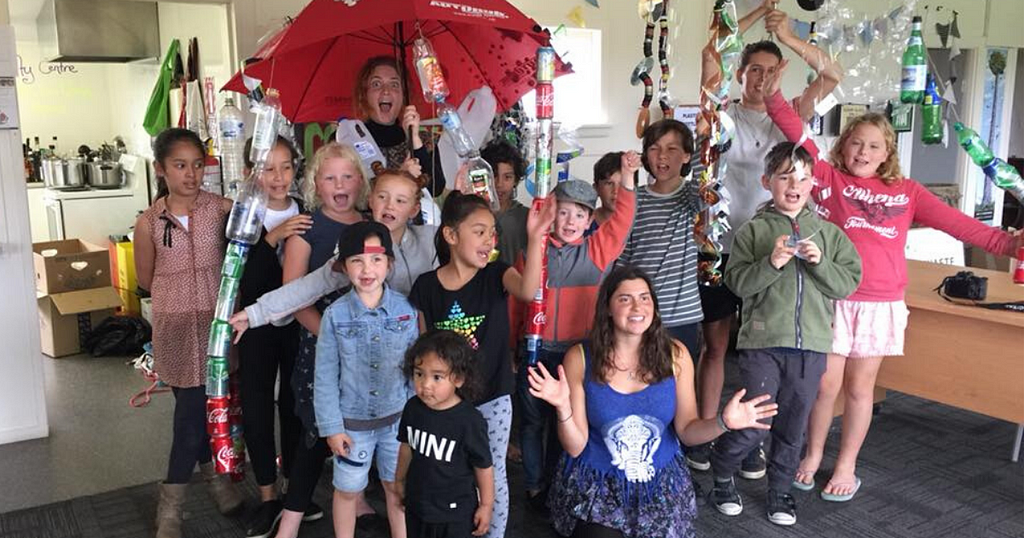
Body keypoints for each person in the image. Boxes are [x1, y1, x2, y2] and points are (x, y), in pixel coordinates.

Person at [761, 63, 1024, 502]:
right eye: (856, 144)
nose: (863, 152)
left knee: (861, 389)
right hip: (832, 298)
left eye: (874, 146)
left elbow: (965, 228)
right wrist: (772, 95)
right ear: (844, 148)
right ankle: (813, 454)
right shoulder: (828, 180)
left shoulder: (908, 192)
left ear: (887, 154)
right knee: (825, 386)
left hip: (880, 303)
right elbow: (796, 133)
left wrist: (1012, 246)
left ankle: (846, 464)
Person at [688, 3, 845, 475]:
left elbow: (833, 73)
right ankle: (709, 429)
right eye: (753, 70)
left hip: (775, 253)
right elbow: (708, 51)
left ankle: (754, 440)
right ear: (741, 73)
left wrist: (789, 35)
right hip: (719, 249)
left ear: (781, 74)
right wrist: (761, 11)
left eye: (770, 71)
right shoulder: (721, 113)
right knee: (717, 348)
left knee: (765, 352)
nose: (760, 78)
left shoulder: (791, 114)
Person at [526, 265, 778, 538]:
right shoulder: (581, 357)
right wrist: (563, 407)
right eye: (625, 298)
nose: (637, 306)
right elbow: (575, 447)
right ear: (608, 308)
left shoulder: (675, 355)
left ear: (655, 308)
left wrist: (723, 422)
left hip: (661, 484)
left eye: (645, 298)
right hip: (597, 486)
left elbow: (687, 431)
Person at [707, 142, 862, 526]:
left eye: (803, 177)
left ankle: (780, 491)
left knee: (793, 426)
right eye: (785, 176)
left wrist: (821, 263)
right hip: (763, 343)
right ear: (767, 182)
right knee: (754, 423)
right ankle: (722, 472)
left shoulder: (829, 234)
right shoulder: (753, 232)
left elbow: (847, 284)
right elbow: (738, 283)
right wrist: (772, 262)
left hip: (810, 347)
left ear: (813, 184)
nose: (795, 184)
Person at [407, 192, 554, 538]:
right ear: (451, 235)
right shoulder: (426, 286)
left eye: (492, 232)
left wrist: (535, 239)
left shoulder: (496, 275)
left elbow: (529, 288)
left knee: (492, 472)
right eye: (479, 231)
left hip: (493, 398)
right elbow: (423, 349)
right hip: (444, 403)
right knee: (448, 470)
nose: (489, 240)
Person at [514, 152, 640, 511]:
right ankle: (536, 485)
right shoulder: (533, 252)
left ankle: (558, 483)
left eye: (580, 214)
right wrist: (514, 347)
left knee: (564, 421)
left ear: (589, 221)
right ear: (550, 215)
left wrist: (628, 178)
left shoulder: (598, 251)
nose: (571, 220)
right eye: (563, 211)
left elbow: (623, 219)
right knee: (531, 421)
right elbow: (516, 306)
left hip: (576, 356)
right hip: (535, 351)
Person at [134, 128, 240, 538]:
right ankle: (188, 497)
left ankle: (179, 503)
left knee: (196, 415)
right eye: (180, 166)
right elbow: (145, 278)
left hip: (215, 330)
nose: (191, 175)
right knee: (192, 417)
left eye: (198, 165)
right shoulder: (147, 223)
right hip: (175, 330)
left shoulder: (221, 209)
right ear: (161, 170)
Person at [274, 142, 369, 538]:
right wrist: (332, 337)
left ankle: (357, 496)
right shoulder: (305, 230)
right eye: (329, 177)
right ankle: (290, 522)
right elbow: (294, 299)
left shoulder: (371, 223)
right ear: (316, 184)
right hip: (322, 347)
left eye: (347, 176)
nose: (339, 184)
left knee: (361, 424)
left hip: (365, 346)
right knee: (317, 432)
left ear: (360, 182)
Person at [229, 169, 436, 332]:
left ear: (414, 209)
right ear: (371, 200)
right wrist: (256, 314)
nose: (390, 206)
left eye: (401, 201)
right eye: (383, 197)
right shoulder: (358, 246)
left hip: (426, 344)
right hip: (374, 346)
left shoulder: (431, 239)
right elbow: (310, 286)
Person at [314, 222, 419, 538]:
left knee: (395, 487)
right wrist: (332, 428)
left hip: (397, 424)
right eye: (356, 260)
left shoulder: (406, 311)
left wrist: (417, 421)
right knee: (347, 490)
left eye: (375, 259)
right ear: (344, 267)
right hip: (351, 426)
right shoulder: (335, 315)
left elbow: (416, 372)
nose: (367, 269)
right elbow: (325, 376)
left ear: (390, 263)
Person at [236, 136, 314, 538]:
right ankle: (268, 496)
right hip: (255, 326)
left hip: (296, 325)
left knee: (296, 406)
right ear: (253, 172)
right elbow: (241, 282)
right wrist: (273, 237)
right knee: (257, 407)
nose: (279, 177)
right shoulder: (244, 215)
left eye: (285, 167)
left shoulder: (306, 210)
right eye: (268, 169)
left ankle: (294, 492)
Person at [396, 330, 495, 538]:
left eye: (437, 377)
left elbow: (483, 465)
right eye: (419, 373)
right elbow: (406, 447)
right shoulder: (412, 408)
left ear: (458, 379)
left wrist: (486, 505)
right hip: (418, 505)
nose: (425, 385)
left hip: (456, 514)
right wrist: (399, 480)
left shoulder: (469, 421)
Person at [617, 119, 702, 358]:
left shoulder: (690, 198)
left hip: (683, 316)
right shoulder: (636, 199)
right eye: (654, 148)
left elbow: (704, 190)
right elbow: (622, 256)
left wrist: (703, 137)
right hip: (639, 315)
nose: (662, 156)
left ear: (687, 156)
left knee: (679, 388)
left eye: (672, 149)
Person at [353, 56, 445, 195]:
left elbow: (435, 189)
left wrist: (415, 140)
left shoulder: (424, 140)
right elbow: (350, 194)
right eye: (376, 84)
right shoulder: (348, 138)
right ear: (364, 94)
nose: (386, 91)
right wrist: (401, 175)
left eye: (394, 85)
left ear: (404, 95)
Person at [482, 140, 529, 266]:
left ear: (516, 180)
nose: (499, 184)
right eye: (494, 176)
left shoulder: (527, 217)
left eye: (507, 177)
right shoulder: (473, 214)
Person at [591, 151, 626, 227]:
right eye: (609, 183)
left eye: (622, 184)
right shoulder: (581, 224)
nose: (616, 191)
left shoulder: (642, 224)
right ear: (596, 188)